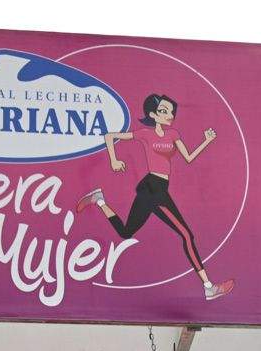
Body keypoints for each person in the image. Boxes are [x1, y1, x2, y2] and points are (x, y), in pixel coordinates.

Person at [76, 93, 235, 301]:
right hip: (153, 187)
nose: (169, 115)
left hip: (157, 188)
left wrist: (206, 141)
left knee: (126, 232)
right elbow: (109, 136)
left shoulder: (173, 134)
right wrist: (114, 160)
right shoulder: (145, 134)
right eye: (163, 111)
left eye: (170, 112)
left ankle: (100, 200)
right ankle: (208, 287)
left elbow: (188, 158)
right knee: (186, 235)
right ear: (153, 114)